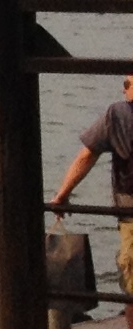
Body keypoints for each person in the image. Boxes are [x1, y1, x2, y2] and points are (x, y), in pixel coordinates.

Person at [47, 70, 133, 306]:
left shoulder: (119, 114)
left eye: (126, 83)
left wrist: (61, 195)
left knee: (132, 286)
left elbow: (87, 155)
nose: (124, 88)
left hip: (130, 212)